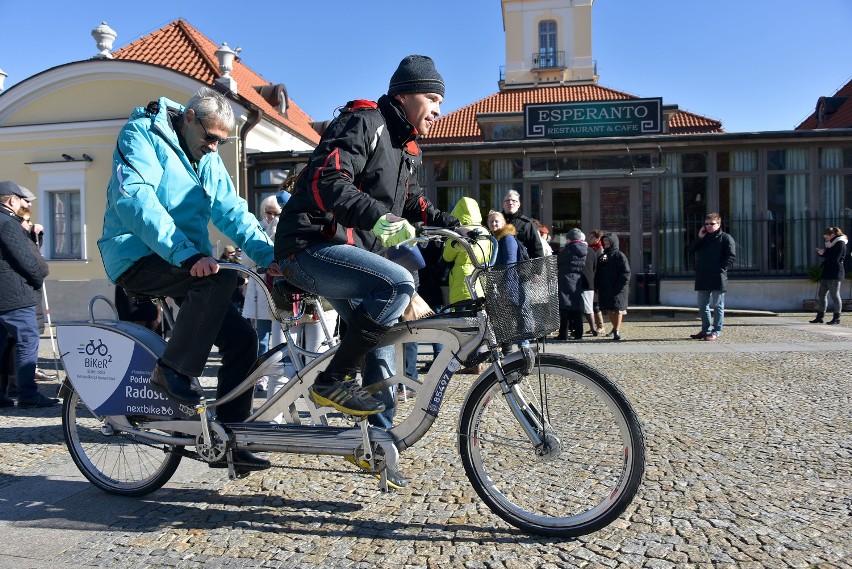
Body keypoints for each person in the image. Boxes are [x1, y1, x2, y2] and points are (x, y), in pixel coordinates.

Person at [274, 55, 460, 488]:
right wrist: (375, 216)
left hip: (347, 255)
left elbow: (415, 204)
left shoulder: (406, 148)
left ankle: (378, 446)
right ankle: (333, 380)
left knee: (380, 342)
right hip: (309, 246)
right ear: (405, 95)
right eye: (432, 98)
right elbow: (328, 181)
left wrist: (455, 226)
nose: (438, 110)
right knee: (400, 282)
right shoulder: (364, 122)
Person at [98, 87, 280, 473]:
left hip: (185, 260)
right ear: (189, 118)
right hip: (136, 255)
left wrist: (273, 259)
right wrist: (188, 254)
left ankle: (230, 440)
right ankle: (173, 371)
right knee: (215, 281)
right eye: (211, 138)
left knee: (243, 340)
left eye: (222, 141)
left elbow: (231, 211)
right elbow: (136, 199)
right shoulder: (142, 134)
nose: (214, 147)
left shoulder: (206, 156)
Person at [0, 181, 58, 408]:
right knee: (28, 340)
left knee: (2, 346)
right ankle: (28, 394)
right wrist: (35, 279)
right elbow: (26, 259)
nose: (24, 204)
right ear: (12, 200)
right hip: (14, 294)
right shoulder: (7, 223)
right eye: (22, 200)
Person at [688, 213, 737, 341]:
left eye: (712, 224)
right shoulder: (704, 238)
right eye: (707, 224)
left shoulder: (726, 238)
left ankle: (716, 331)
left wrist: (720, 268)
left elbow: (731, 256)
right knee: (702, 304)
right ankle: (705, 330)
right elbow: (691, 250)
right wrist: (699, 237)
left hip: (717, 276)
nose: (709, 226)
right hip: (703, 276)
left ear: (719, 224)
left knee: (718, 305)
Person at [443, 197, 492, 305]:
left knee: (462, 318)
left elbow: (447, 256)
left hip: (462, 281)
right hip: (480, 280)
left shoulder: (459, 232)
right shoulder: (485, 231)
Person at [595, 233, 631, 341]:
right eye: (604, 241)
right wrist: (597, 285)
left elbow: (626, 273)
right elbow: (598, 273)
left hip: (618, 288)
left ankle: (617, 330)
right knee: (610, 309)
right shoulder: (603, 256)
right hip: (606, 288)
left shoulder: (620, 255)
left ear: (613, 242)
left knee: (618, 310)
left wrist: (620, 287)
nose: (606, 243)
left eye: (608, 241)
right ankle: (614, 328)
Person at [810, 227, 847, 325]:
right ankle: (820, 317)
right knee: (821, 294)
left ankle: (837, 317)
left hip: (835, 273)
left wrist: (824, 253)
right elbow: (828, 256)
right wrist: (822, 254)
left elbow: (835, 258)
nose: (825, 238)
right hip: (827, 272)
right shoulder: (831, 244)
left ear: (832, 235)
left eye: (826, 236)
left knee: (835, 296)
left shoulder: (840, 243)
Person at [556, 228, 588, 341]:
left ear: (569, 239)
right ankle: (579, 333)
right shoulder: (585, 249)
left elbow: (558, 261)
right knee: (577, 307)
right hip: (578, 279)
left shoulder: (568, 249)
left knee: (564, 308)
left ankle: (563, 334)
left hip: (565, 279)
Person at [502, 190, 544, 259]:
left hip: (521, 266)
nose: (510, 203)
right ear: (503, 204)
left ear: (519, 204)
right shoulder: (496, 222)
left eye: (514, 201)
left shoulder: (527, 224)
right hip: (499, 266)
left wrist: (536, 269)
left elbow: (537, 249)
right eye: (507, 201)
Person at [585, 229, 605, 335]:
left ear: (597, 239)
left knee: (595, 304)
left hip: (596, 280)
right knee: (591, 304)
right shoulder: (590, 248)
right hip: (591, 279)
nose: (589, 239)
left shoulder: (600, 249)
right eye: (589, 237)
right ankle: (593, 325)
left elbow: (598, 266)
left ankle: (601, 326)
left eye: (592, 237)